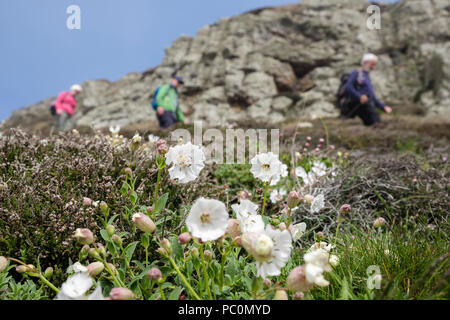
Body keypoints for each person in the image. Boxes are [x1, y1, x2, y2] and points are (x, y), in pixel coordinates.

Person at [343, 53, 392, 126]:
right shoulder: (356, 73)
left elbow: (371, 96)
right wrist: (359, 96)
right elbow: (348, 87)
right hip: (360, 105)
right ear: (365, 63)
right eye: (372, 64)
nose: (373, 67)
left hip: (369, 105)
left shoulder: (366, 76)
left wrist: (383, 107)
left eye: (374, 65)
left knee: (375, 123)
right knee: (375, 124)